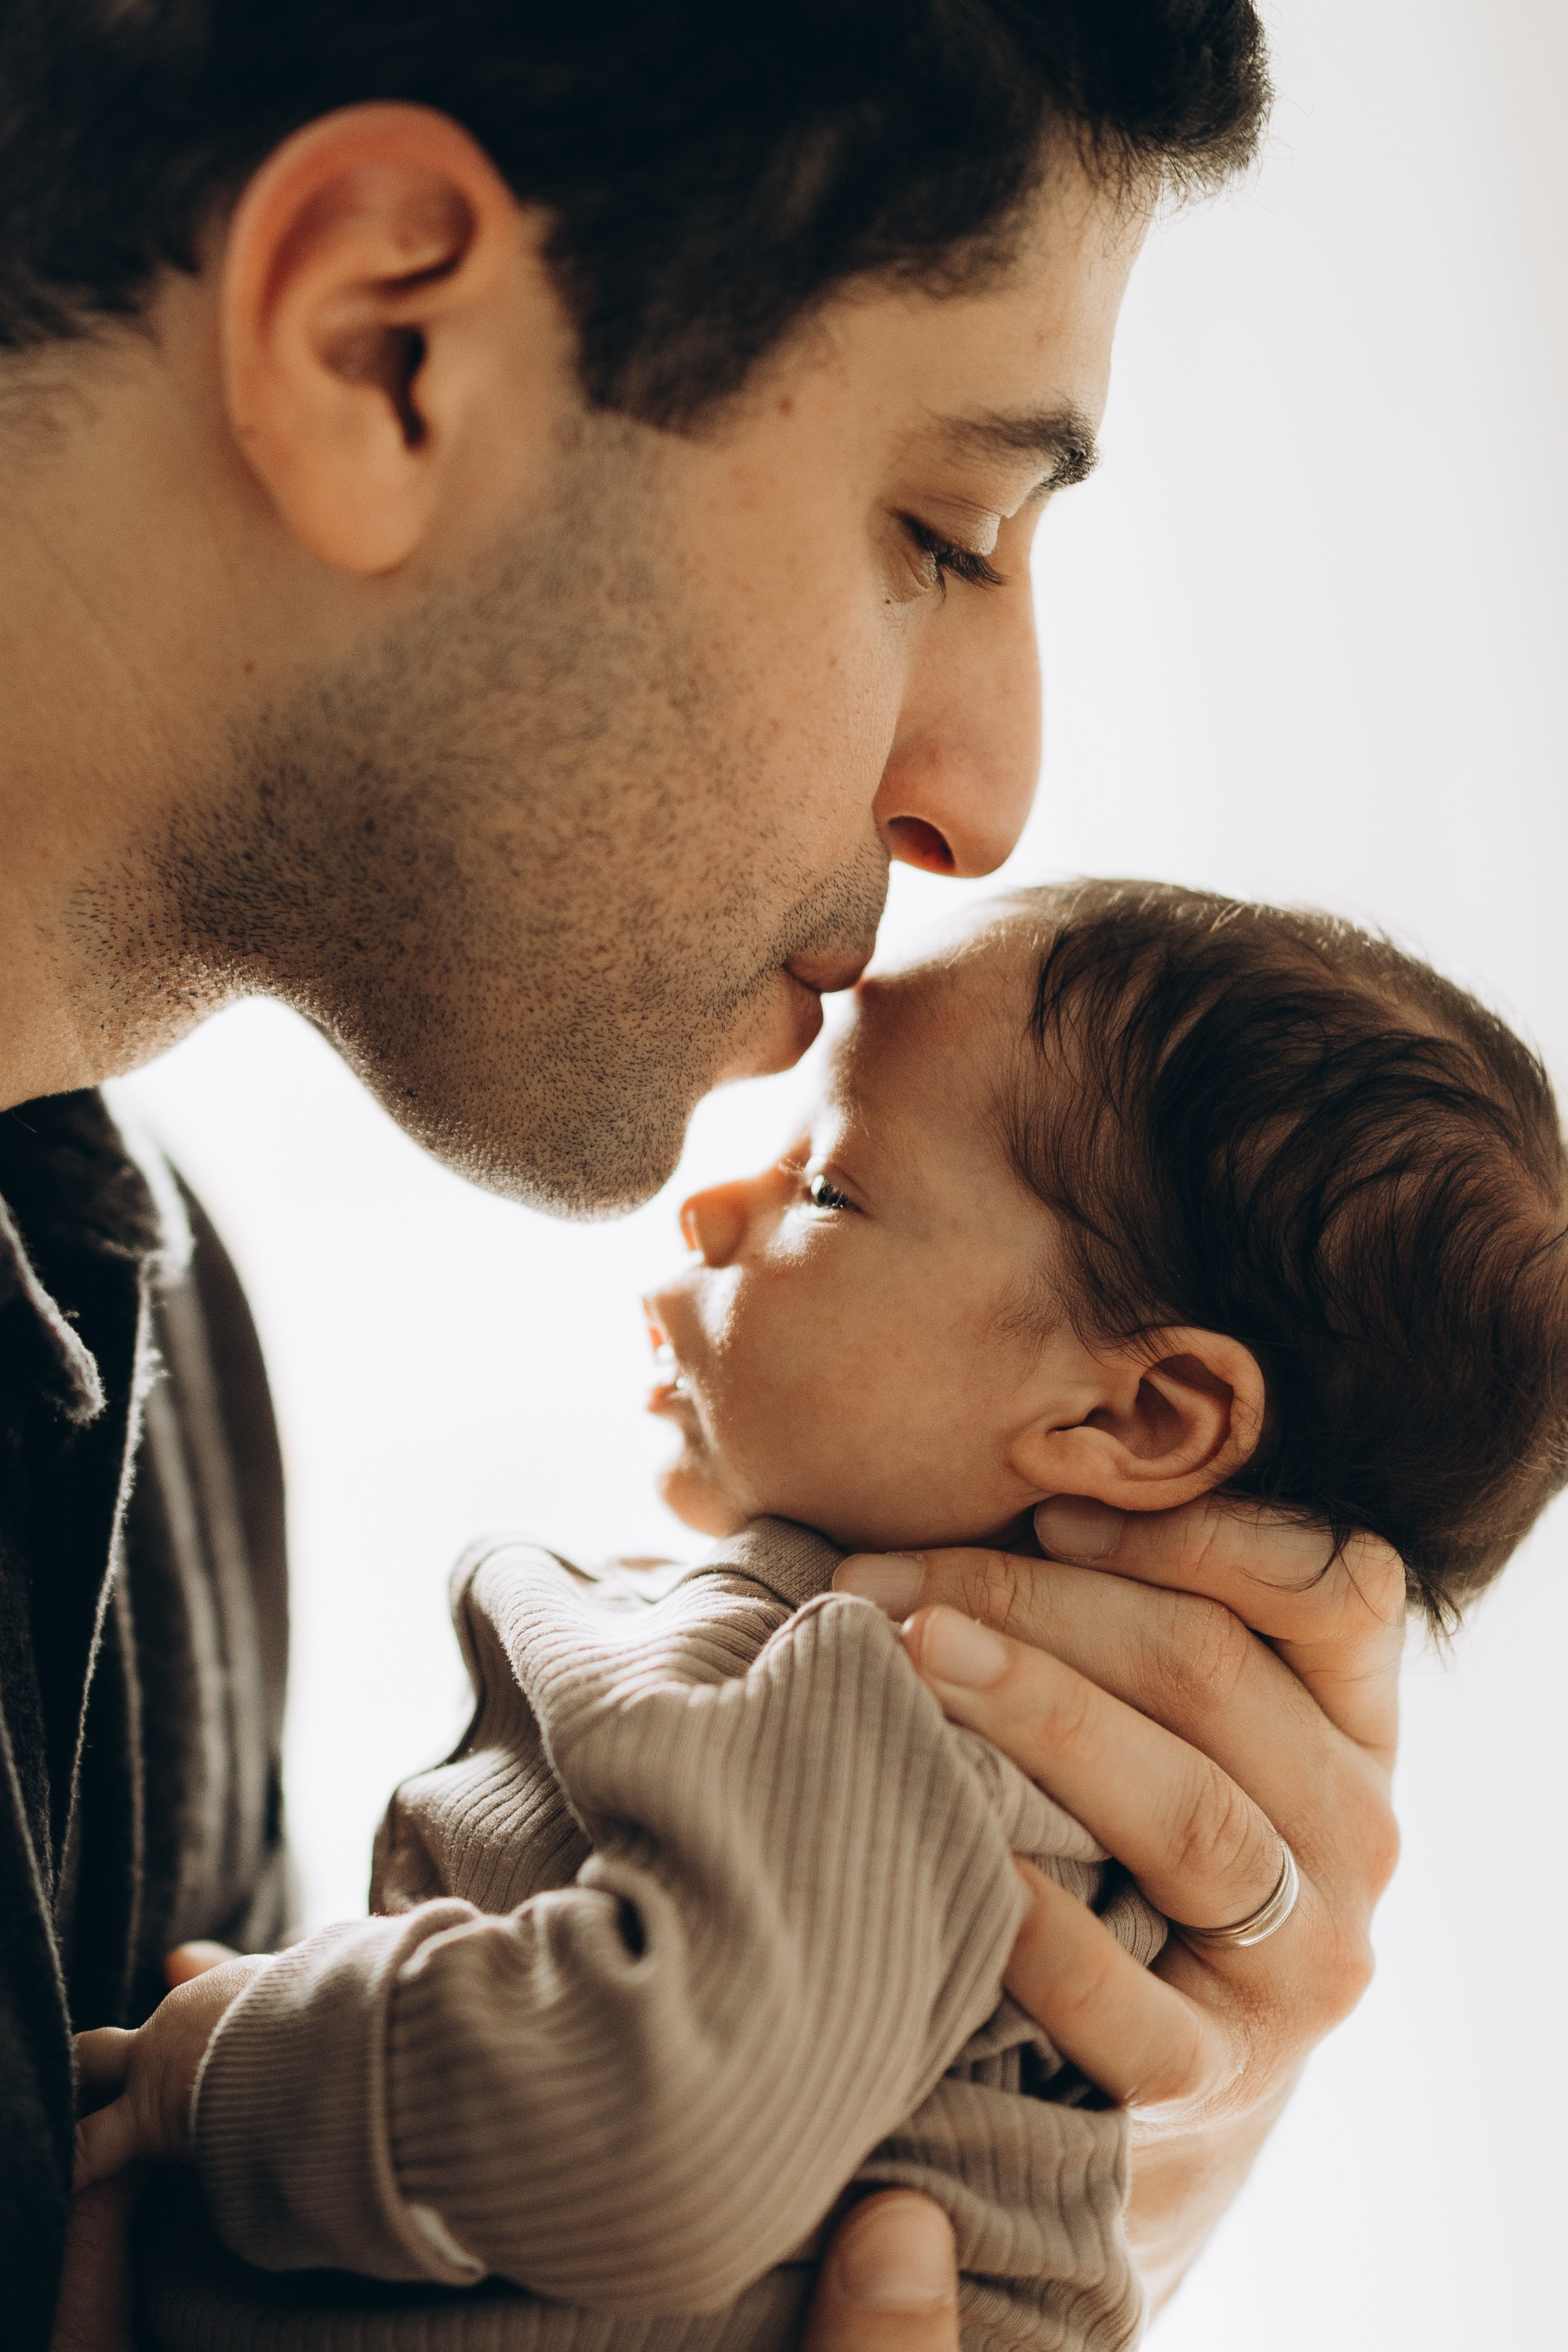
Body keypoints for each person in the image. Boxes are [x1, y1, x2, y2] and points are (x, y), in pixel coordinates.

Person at [0, 7, 1399, 2348]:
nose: (987, 796)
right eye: (939, 532)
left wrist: (976, 2152)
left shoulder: (142, 1353)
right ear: (383, 350)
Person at [79, 882, 1524, 2350]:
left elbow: (651, 2123)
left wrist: (231, 2064)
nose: (712, 1205)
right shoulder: (881, 1712)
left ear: (1133, 1415)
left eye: (827, 1189)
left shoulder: (902, 1704)